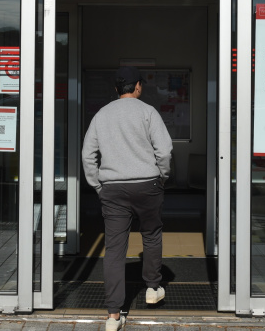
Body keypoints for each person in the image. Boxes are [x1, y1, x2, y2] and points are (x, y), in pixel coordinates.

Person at [82, 66, 173, 331]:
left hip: (112, 188)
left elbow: (88, 155)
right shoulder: (148, 112)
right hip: (148, 185)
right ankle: (152, 288)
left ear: (115, 90)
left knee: (114, 249)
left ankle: (113, 316)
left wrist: (97, 185)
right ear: (138, 87)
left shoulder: (102, 114)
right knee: (152, 234)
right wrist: (162, 177)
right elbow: (165, 151)